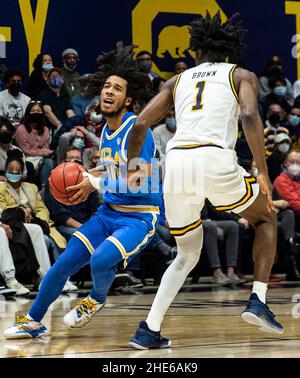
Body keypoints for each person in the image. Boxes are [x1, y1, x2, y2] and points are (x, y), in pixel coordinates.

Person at [127, 12, 283, 350]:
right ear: (228, 52)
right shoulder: (240, 74)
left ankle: (148, 330)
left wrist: (134, 167)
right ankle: (257, 300)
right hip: (213, 159)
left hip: (178, 164)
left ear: (196, 51)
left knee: (186, 254)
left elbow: (139, 124)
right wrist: (263, 172)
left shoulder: (176, 80)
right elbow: (249, 115)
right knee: (266, 217)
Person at [4, 45, 158, 340]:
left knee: (101, 260)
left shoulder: (138, 130)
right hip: (108, 214)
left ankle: (95, 300)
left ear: (128, 98)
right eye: (106, 87)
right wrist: (86, 176)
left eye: (117, 89)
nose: (109, 92)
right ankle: (34, 321)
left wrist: (95, 183)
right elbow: (112, 171)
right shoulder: (106, 132)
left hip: (138, 218)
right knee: (62, 264)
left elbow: (139, 181)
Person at [14, 101, 55, 188]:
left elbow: (46, 150)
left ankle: (45, 188)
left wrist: (42, 152)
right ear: (28, 113)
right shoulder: (21, 130)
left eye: (38, 111)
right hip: (26, 159)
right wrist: (41, 151)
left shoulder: (45, 130)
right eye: (33, 111)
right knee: (30, 164)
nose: (36, 113)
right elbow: (25, 151)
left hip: (41, 160)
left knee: (49, 162)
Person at [39, 67, 75, 131]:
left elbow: (70, 113)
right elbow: (47, 112)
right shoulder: (44, 94)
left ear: (62, 80)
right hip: (50, 129)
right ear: (48, 81)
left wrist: (73, 126)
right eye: (52, 76)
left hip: (65, 129)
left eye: (57, 76)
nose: (55, 78)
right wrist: (60, 126)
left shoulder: (65, 96)